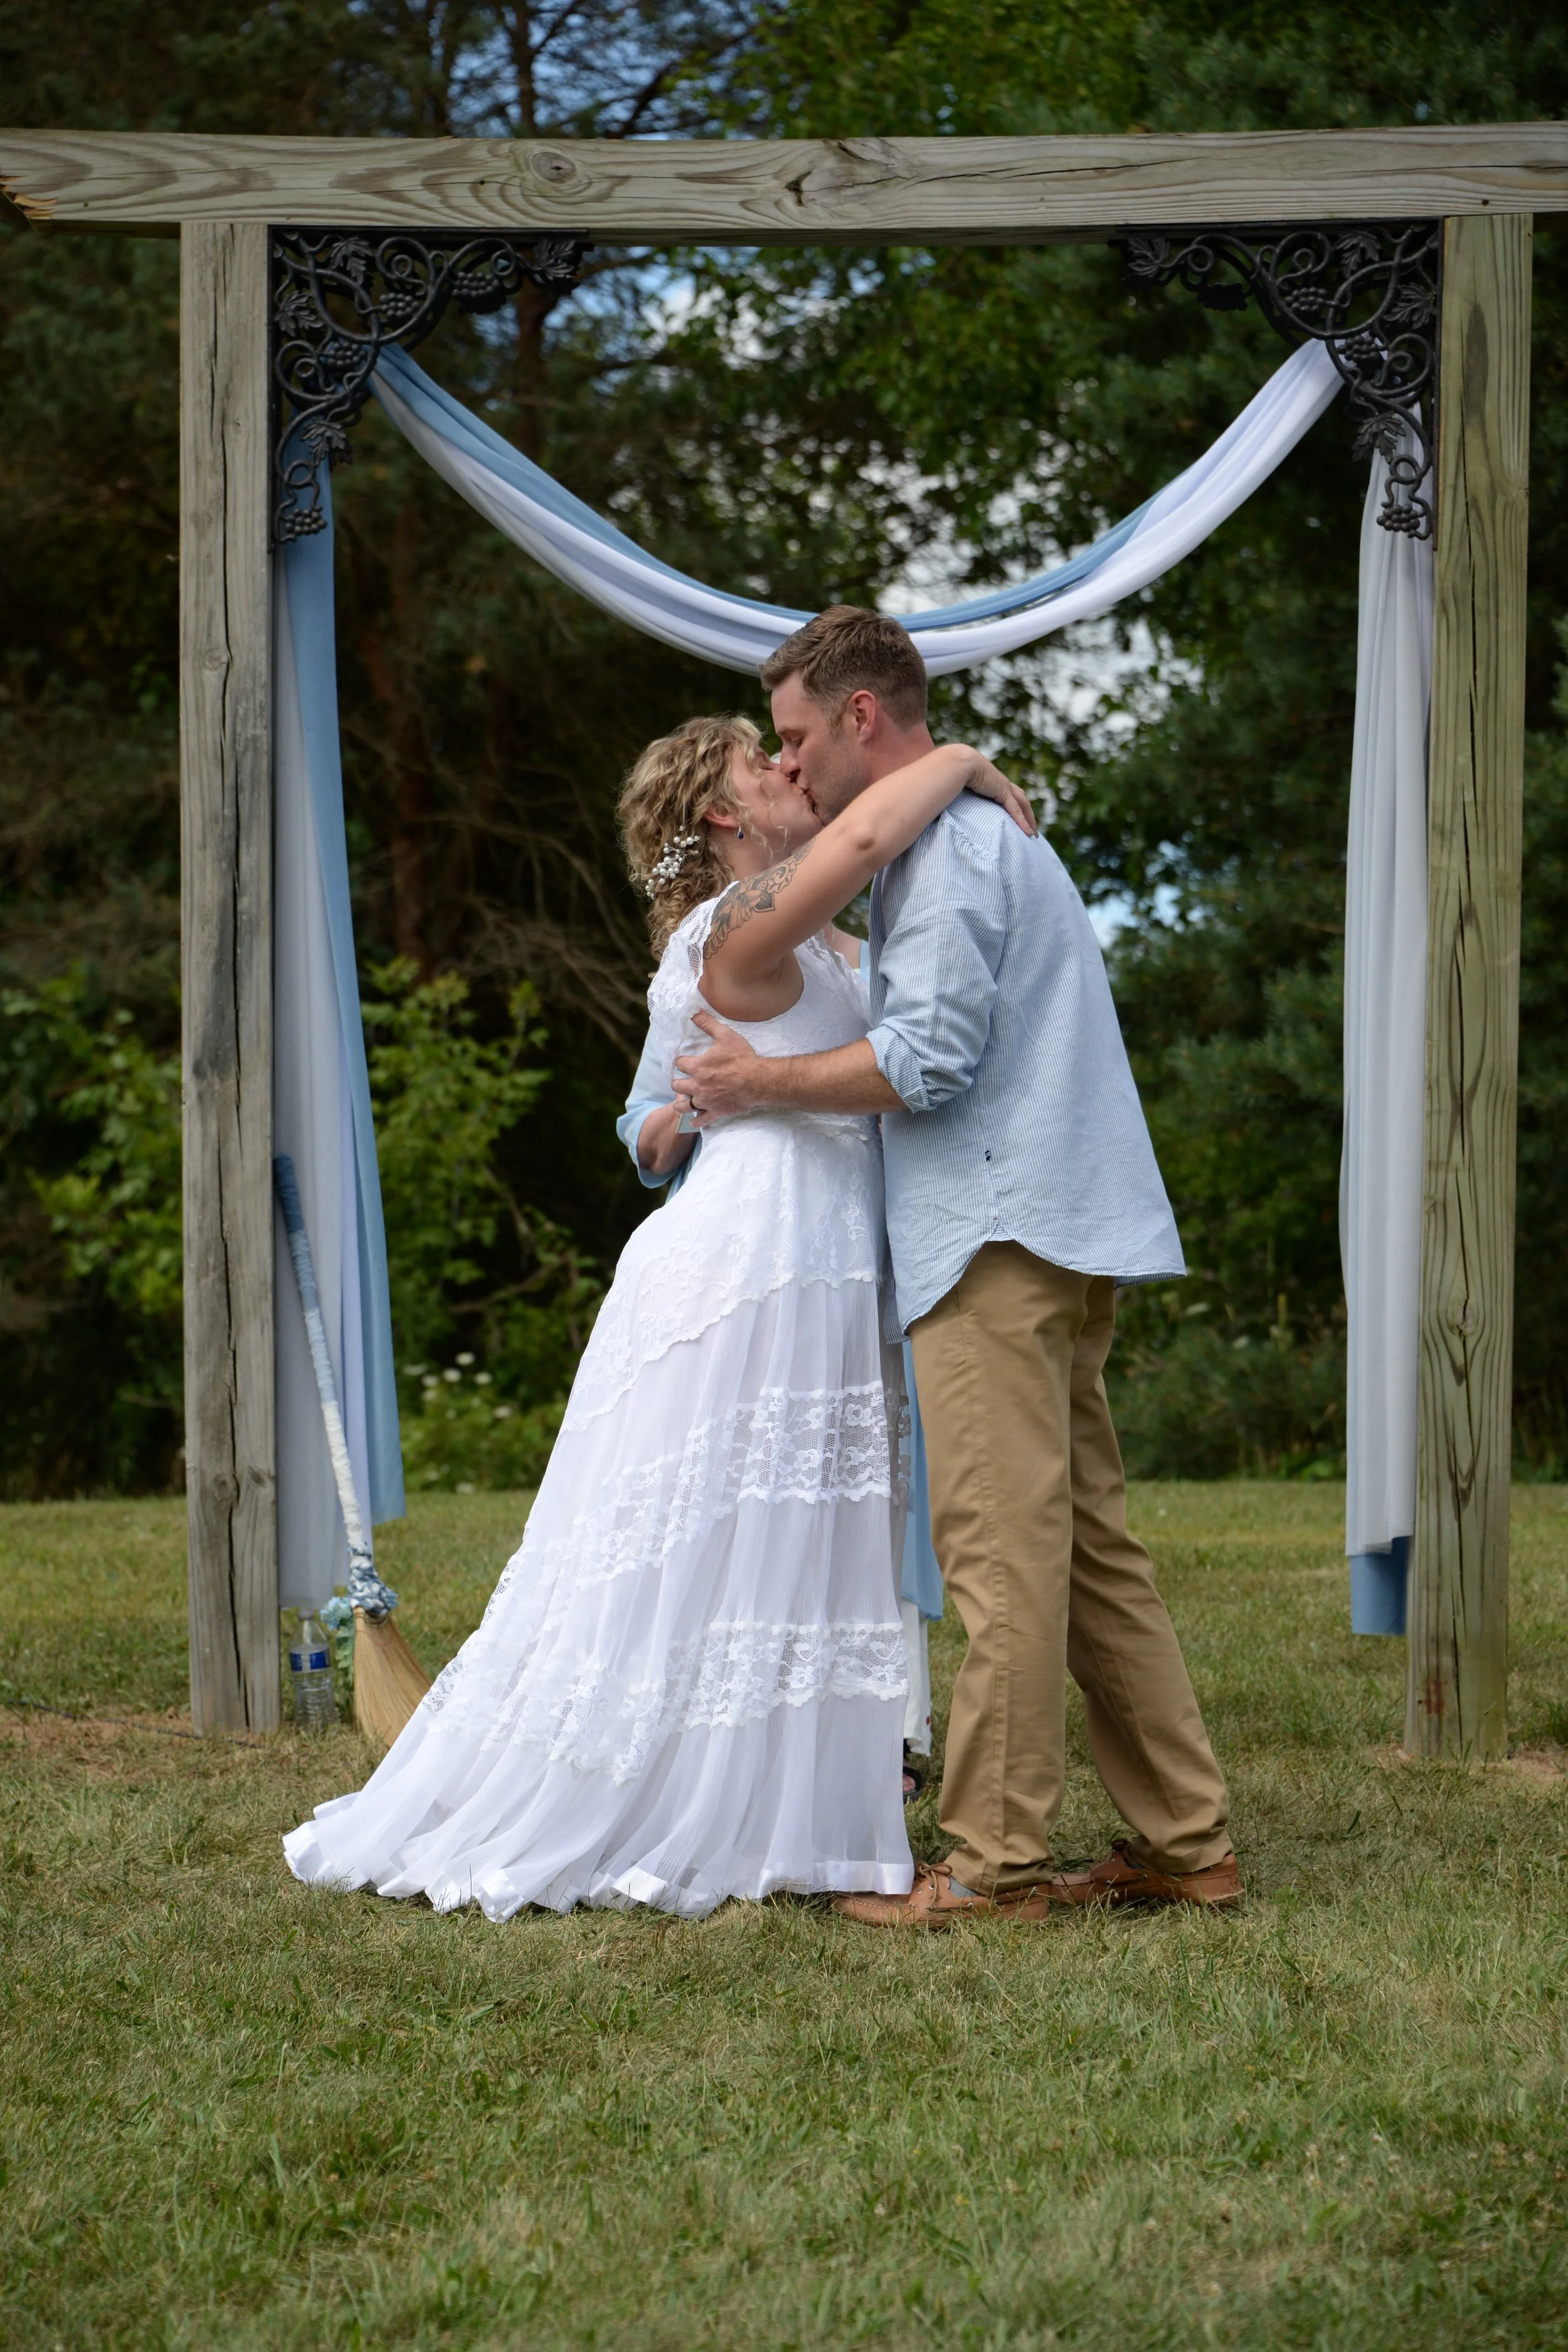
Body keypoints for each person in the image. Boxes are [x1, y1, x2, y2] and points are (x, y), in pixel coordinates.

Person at [283, 710, 1032, 1919]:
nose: (789, 766)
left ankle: (800, 1797)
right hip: (757, 1253)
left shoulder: (837, 938)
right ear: (725, 816)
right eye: (761, 758)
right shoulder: (730, 928)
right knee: (714, 1523)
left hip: (834, 1253)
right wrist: (959, 760)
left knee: (803, 1525)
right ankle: (674, 1784)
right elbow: (656, 1111)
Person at [674, 607, 1241, 1926]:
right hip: (1055, 1224)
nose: (793, 764)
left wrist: (758, 1081)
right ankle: (1184, 1844)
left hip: (994, 1235)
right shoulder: (975, 836)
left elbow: (922, 1063)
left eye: (800, 735)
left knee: (1000, 1554)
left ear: (862, 717)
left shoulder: (939, 855)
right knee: (1089, 1550)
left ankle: (990, 1866)